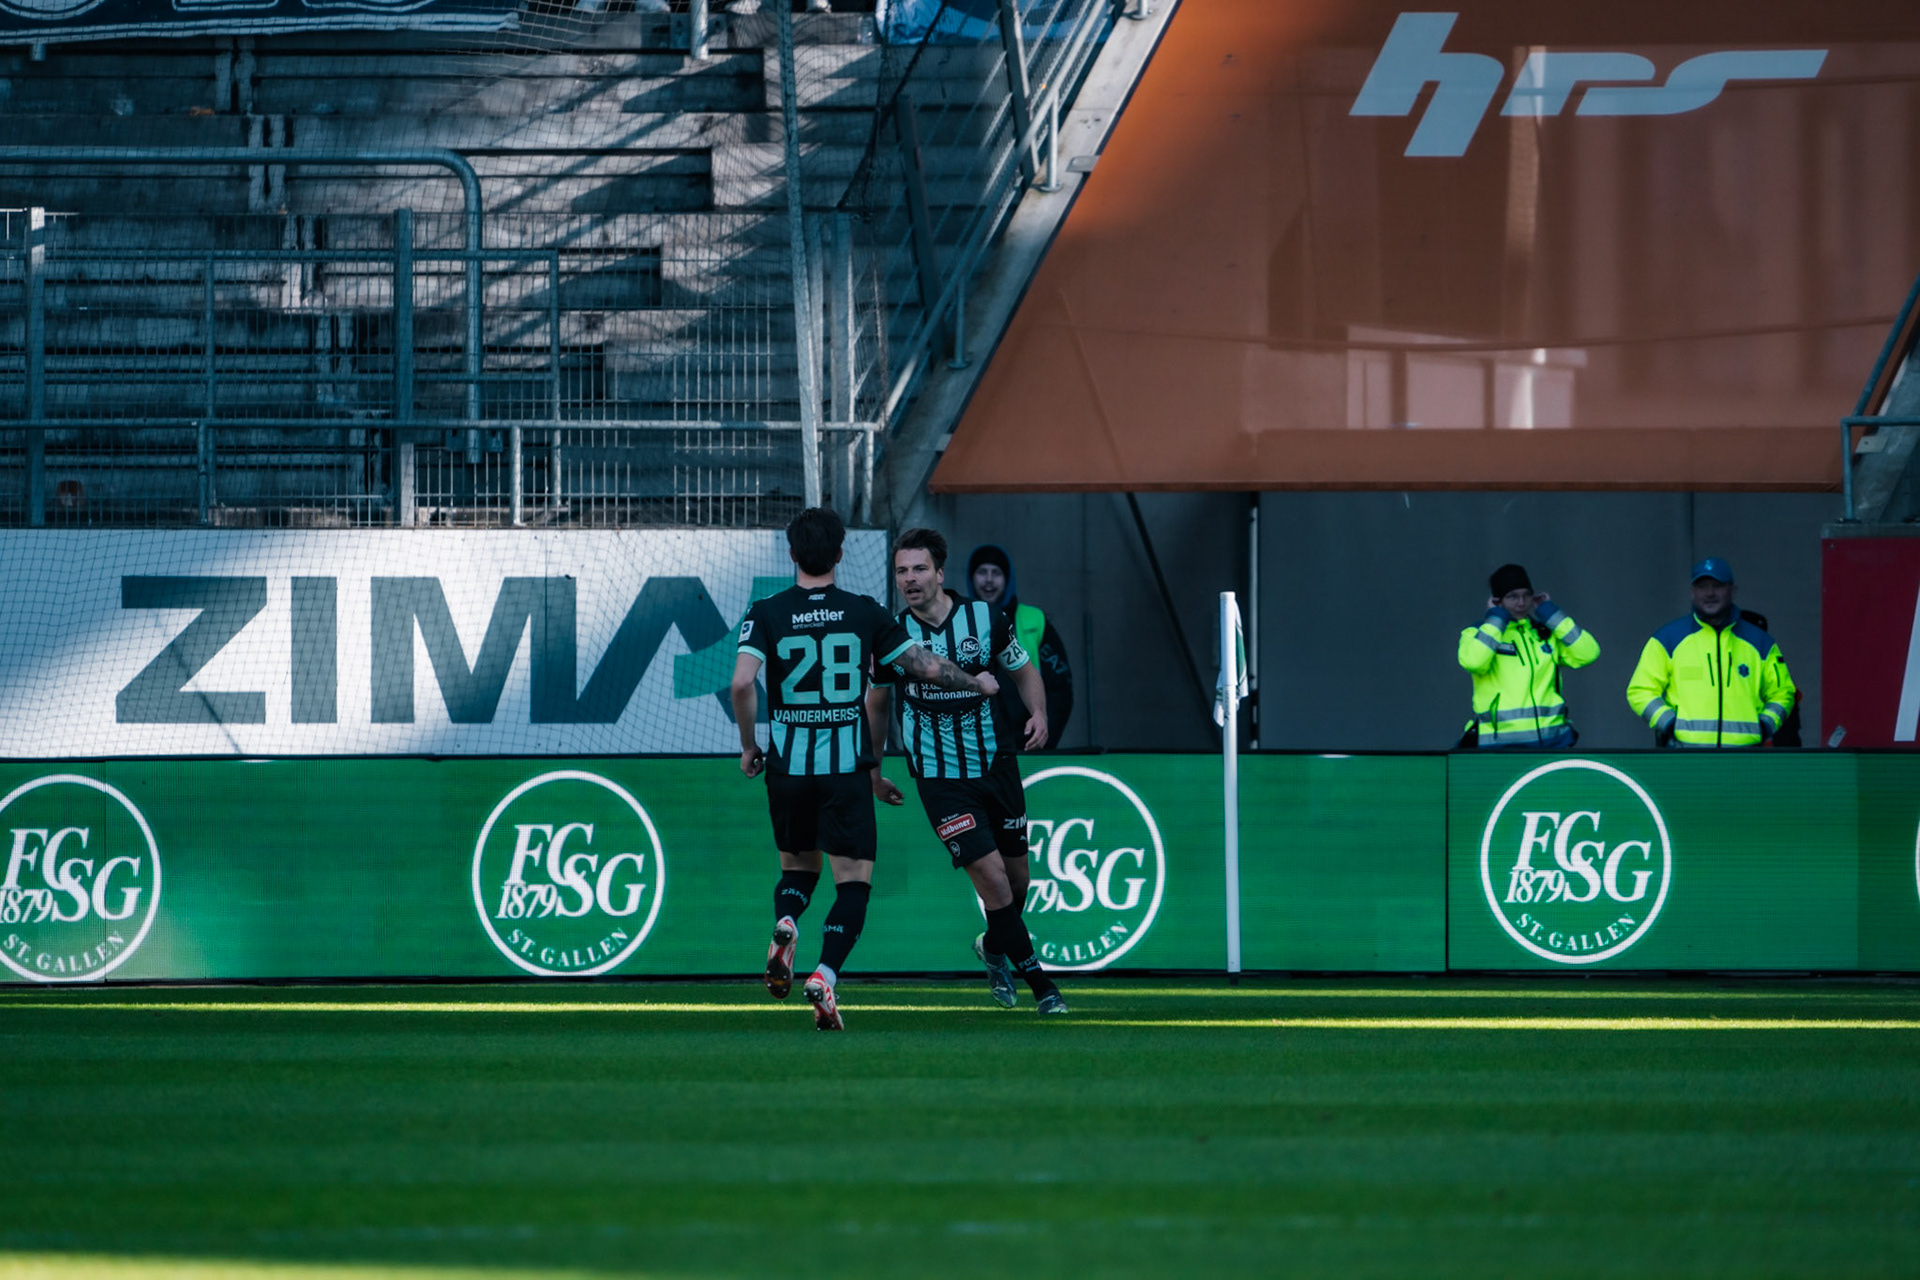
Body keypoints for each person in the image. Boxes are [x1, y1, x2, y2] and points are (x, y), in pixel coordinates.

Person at [731, 508, 995, 1031]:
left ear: (792, 555)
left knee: (797, 869)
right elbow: (924, 665)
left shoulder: (765, 611)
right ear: (840, 555)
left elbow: (741, 684)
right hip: (843, 768)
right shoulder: (866, 611)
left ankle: (786, 922)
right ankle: (825, 974)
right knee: (852, 884)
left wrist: (749, 746)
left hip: (788, 764)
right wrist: (976, 683)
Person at [869, 528, 1068, 1015]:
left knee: (1019, 884)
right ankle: (1044, 988)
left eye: (919, 569)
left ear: (940, 573)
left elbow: (1022, 670)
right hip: (939, 778)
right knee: (995, 882)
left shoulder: (987, 618)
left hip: (996, 763)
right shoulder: (893, 636)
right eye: (901, 571)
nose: (910, 580)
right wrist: (873, 770)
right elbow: (876, 706)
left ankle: (994, 948)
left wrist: (1038, 713)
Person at [1626, 557, 1798, 748]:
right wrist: (1668, 723)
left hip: (1746, 758)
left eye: (1717, 586)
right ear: (1692, 593)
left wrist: (1766, 724)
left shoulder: (1761, 642)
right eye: (1702, 586)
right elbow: (1640, 690)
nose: (1709, 593)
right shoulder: (1667, 639)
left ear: (1733, 591)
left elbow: (1783, 693)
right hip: (1685, 757)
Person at [1456, 563, 1600, 748]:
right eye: (1513, 597)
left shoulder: (1544, 633)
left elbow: (1588, 653)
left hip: (1552, 741)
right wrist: (1495, 618)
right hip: (1498, 746)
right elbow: (1473, 662)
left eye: (1526, 595)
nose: (1522, 602)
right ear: (1497, 600)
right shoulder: (1478, 633)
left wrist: (1551, 613)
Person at [966, 543, 1073, 749]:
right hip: (975, 749)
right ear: (971, 578)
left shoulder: (1035, 620)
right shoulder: (957, 620)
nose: (989, 580)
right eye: (982, 572)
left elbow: (1060, 690)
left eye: (996, 573)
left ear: (1007, 579)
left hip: (1028, 746)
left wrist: (1044, 741)